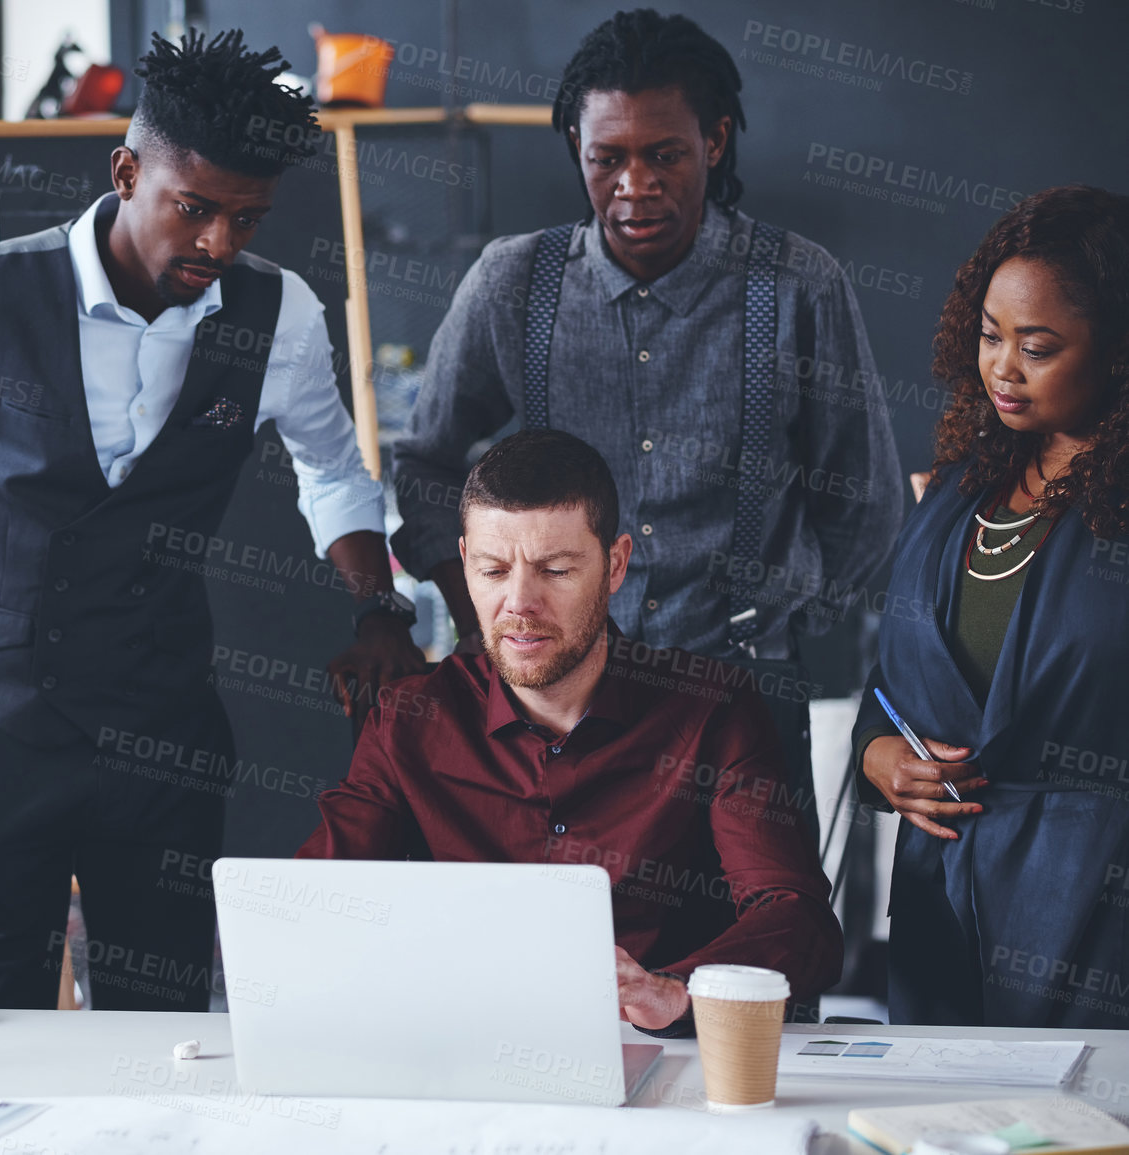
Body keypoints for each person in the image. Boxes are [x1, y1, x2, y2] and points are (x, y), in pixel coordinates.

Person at [0, 30, 423, 1012]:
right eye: (194, 210)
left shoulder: (279, 314)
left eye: (246, 221)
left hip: (165, 741)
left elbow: (333, 473)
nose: (217, 244)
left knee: (161, 1032)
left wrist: (379, 606)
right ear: (127, 172)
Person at [390, 8, 903, 832]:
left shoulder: (801, 284)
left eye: (663, 154)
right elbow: (423, 465)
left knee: (759, 948)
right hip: (554, 706)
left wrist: (786, 625)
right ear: (577, 151)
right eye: (607, 159)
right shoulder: (512, 283)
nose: (634, 185)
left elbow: (867, 503)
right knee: (566, 951)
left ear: (717, 139)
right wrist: (482, 619)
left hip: (745, 696)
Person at [300, 429, 842, 1034]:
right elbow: (317, 896)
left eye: (555, 570)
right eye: (492, 570)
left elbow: (798, 920)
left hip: (658, 1063)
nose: (519, 603)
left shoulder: (711, 711)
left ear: (615, 565)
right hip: (466, 1054)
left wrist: (677, 993)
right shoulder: (408, 718)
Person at [853, 185, 1129, 1028]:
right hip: (938, 904)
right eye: (988, 335)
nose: (1001, 367)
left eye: (1035, 346)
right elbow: (892, 686)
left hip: (1095, 917)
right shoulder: (955, 488)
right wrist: (879, 763)